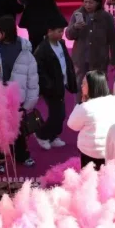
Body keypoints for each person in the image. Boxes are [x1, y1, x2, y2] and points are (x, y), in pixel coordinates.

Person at [0, 15, 39, 168]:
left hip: (18, 97)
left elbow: (32, 77)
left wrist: (30, 100)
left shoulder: (24, 49)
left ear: (4, 32)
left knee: (18, 128)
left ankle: (22, 155)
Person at [66, 0, 115, 99]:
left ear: (98, 3)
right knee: (80, 87)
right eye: (85, 2)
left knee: (99, 89)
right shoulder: (77, 14)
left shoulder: (106, 17)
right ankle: (80, 107)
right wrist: (75, 27)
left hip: (99, 60)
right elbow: (69, 35)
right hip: (81, 60)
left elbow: (114, 40)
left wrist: (114, 60)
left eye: (91, 2)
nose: (87, 5)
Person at [33, 17, 77, 150]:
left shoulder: (61, 44)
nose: (61, 34)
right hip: (51, 88)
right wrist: (49, 85)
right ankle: (42, 135)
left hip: (61, 84)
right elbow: (39, 70)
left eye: (62, 31)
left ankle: (52, 136)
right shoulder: (42, 49)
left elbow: (67, 61)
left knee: (60, 114)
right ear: (49, 31)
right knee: (57, 114)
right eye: (59, 31)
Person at [67, 70, 115, 169]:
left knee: (90, 177)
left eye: (84, 83)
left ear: (92, 86)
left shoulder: (85, 107)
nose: (81, 85)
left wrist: (80, 104)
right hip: (112, 149)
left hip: (91, 152)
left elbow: (72, 125)